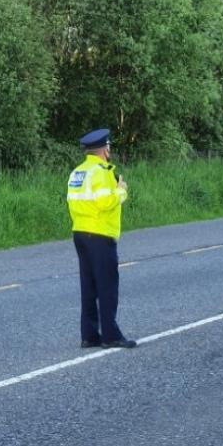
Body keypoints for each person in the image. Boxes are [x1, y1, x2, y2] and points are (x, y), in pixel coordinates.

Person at [67, 128, 136, 349]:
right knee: (107, 286)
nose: (110, 150)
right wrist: (121, 190)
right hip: (100, 234)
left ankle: (89, 335)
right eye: (109, 147)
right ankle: (111, 335)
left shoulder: (78, 172)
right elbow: (106, 202)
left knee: (88, 286)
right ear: (104, 149)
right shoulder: (102, 172)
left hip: (80, 233)